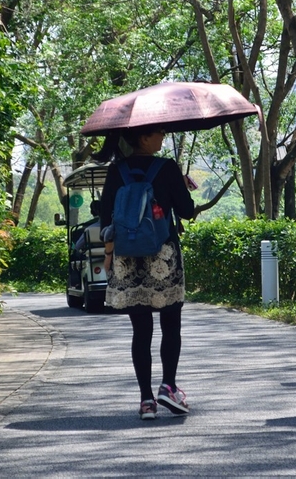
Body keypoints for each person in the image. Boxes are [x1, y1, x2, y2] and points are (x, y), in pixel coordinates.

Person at [98, 126, 196, 421]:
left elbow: (105, 218)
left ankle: (146, 401)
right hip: (162, 256)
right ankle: (168, 386)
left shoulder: (117, 171)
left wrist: (109, 254)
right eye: (159, 134)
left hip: (128, 260)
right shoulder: (167, 168)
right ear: (144, 138)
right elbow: (187, 211)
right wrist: (179, 184)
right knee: (171, 324)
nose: (163, 138)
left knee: (141, 331)